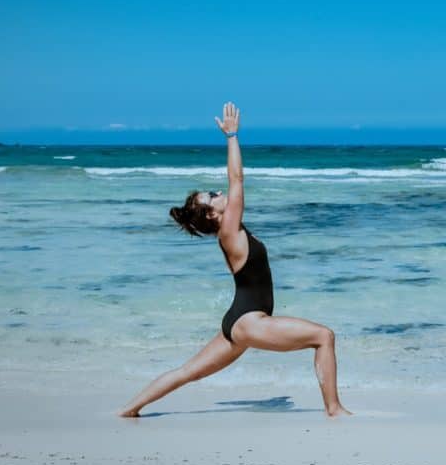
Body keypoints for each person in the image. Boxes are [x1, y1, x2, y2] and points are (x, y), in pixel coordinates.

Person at [119, 102, 351, 418]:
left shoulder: (232, 232)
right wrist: (232, 136)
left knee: (187, 372)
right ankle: (334, 409)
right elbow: (237, 180)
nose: (219, 192)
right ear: (214, 215)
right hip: (249, 322)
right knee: (324, 337)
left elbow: (234, 185)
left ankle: (128, 410)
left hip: (238, 323)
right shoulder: (227, 230)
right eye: (212, 196)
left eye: (213, 191)